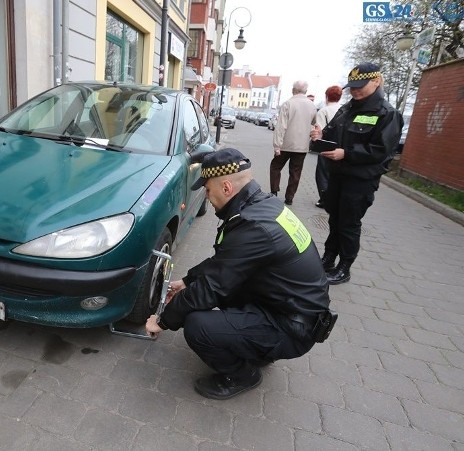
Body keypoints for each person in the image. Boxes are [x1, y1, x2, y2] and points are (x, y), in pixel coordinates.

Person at [145, 148, 333, 400]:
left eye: (208, 189)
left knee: (197, 325)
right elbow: (226, 263)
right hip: (290, 309)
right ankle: (257, 346)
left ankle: (242, 374)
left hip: (293, 327)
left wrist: (164, 320)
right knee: (217, 292)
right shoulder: (263, 207)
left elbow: (213, 287)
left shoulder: (254, 227)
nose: (207, 196)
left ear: (226, 188)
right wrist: (187, 281)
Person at [310, 63, 403, 284]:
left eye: (360, 86)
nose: (355, 91)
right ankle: (329, 258)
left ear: (376, 81)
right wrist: (320, 134)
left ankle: (345, 266)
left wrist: (347, 153)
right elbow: (332, 132)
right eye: (352, 86)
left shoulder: (387, 114)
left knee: (349, 223)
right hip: (338, 174)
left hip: (360, 180)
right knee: (335, 218)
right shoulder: (347, 109)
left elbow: (380, 151)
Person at [270, 80, 317, 205]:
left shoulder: (288, 104)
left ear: (293, 90)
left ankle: (274, 191)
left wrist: (277, 146)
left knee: (275, 167)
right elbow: (313, 125)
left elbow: (281, 126)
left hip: (285, 145)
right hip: (302, 147)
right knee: (295, 172)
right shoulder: (312, 106)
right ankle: (289, 197)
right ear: (305, 91)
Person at [313, 86, 343, 208]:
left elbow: (319, 130)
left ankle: (324, 199)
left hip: (326, 145)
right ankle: (334, 198)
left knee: (322, 174)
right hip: (340, 147)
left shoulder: (323, 111)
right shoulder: (343, 110)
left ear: (326, 96)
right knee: (334, 174)